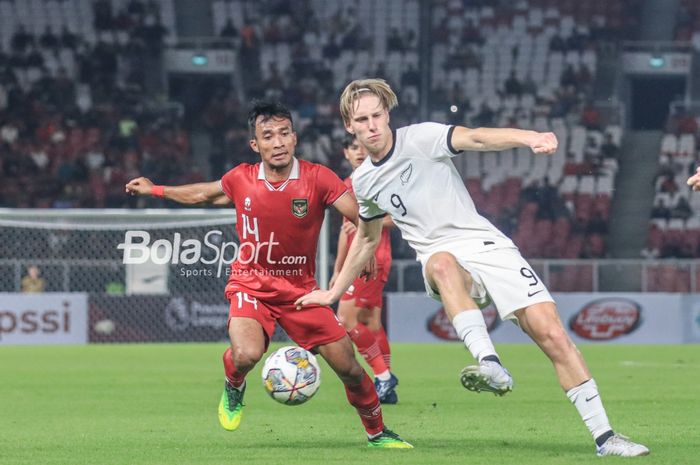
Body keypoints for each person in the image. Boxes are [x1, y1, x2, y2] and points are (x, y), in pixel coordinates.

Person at [296, 79, 649, 457]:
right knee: (443, 263)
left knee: (553, 335)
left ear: (388, 113)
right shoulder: (364, 181)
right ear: (349, 125)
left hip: (488, 246)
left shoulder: (422, 138)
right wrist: (333, 292)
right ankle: (489, 362)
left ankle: (605, 437)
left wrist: (528, 137)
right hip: (438, 258)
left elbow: (477, 138)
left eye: (377, 115)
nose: (372, 126)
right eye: (362, 119)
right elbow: (366, 238)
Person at [125, 101, 411, 449]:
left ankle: (377, 433)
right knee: (246, 353)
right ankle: (234, 384)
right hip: (251, 281)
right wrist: (156, 189)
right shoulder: (241, 178)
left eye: (284, 134)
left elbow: (360, 215)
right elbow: (204, 193)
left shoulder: (318, 178)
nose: (278, 143)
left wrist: (364, 246)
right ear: (255, 144)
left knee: (350, 367)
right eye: (268, 136)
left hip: (301, 290)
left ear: (295, 138)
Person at [334, 133, 397, 403]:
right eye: (352, 147)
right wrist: (338, 270)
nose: (358, 151)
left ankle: (383, 377)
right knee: (370, 322)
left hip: (372, 257)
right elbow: (344, 231)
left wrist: (370, 223)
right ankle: (388, 386)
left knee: (346, 321)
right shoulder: (347, 184)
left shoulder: (379, 178)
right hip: (358, 259)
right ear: (345, 152)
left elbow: (399, 216)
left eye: (362, 146)